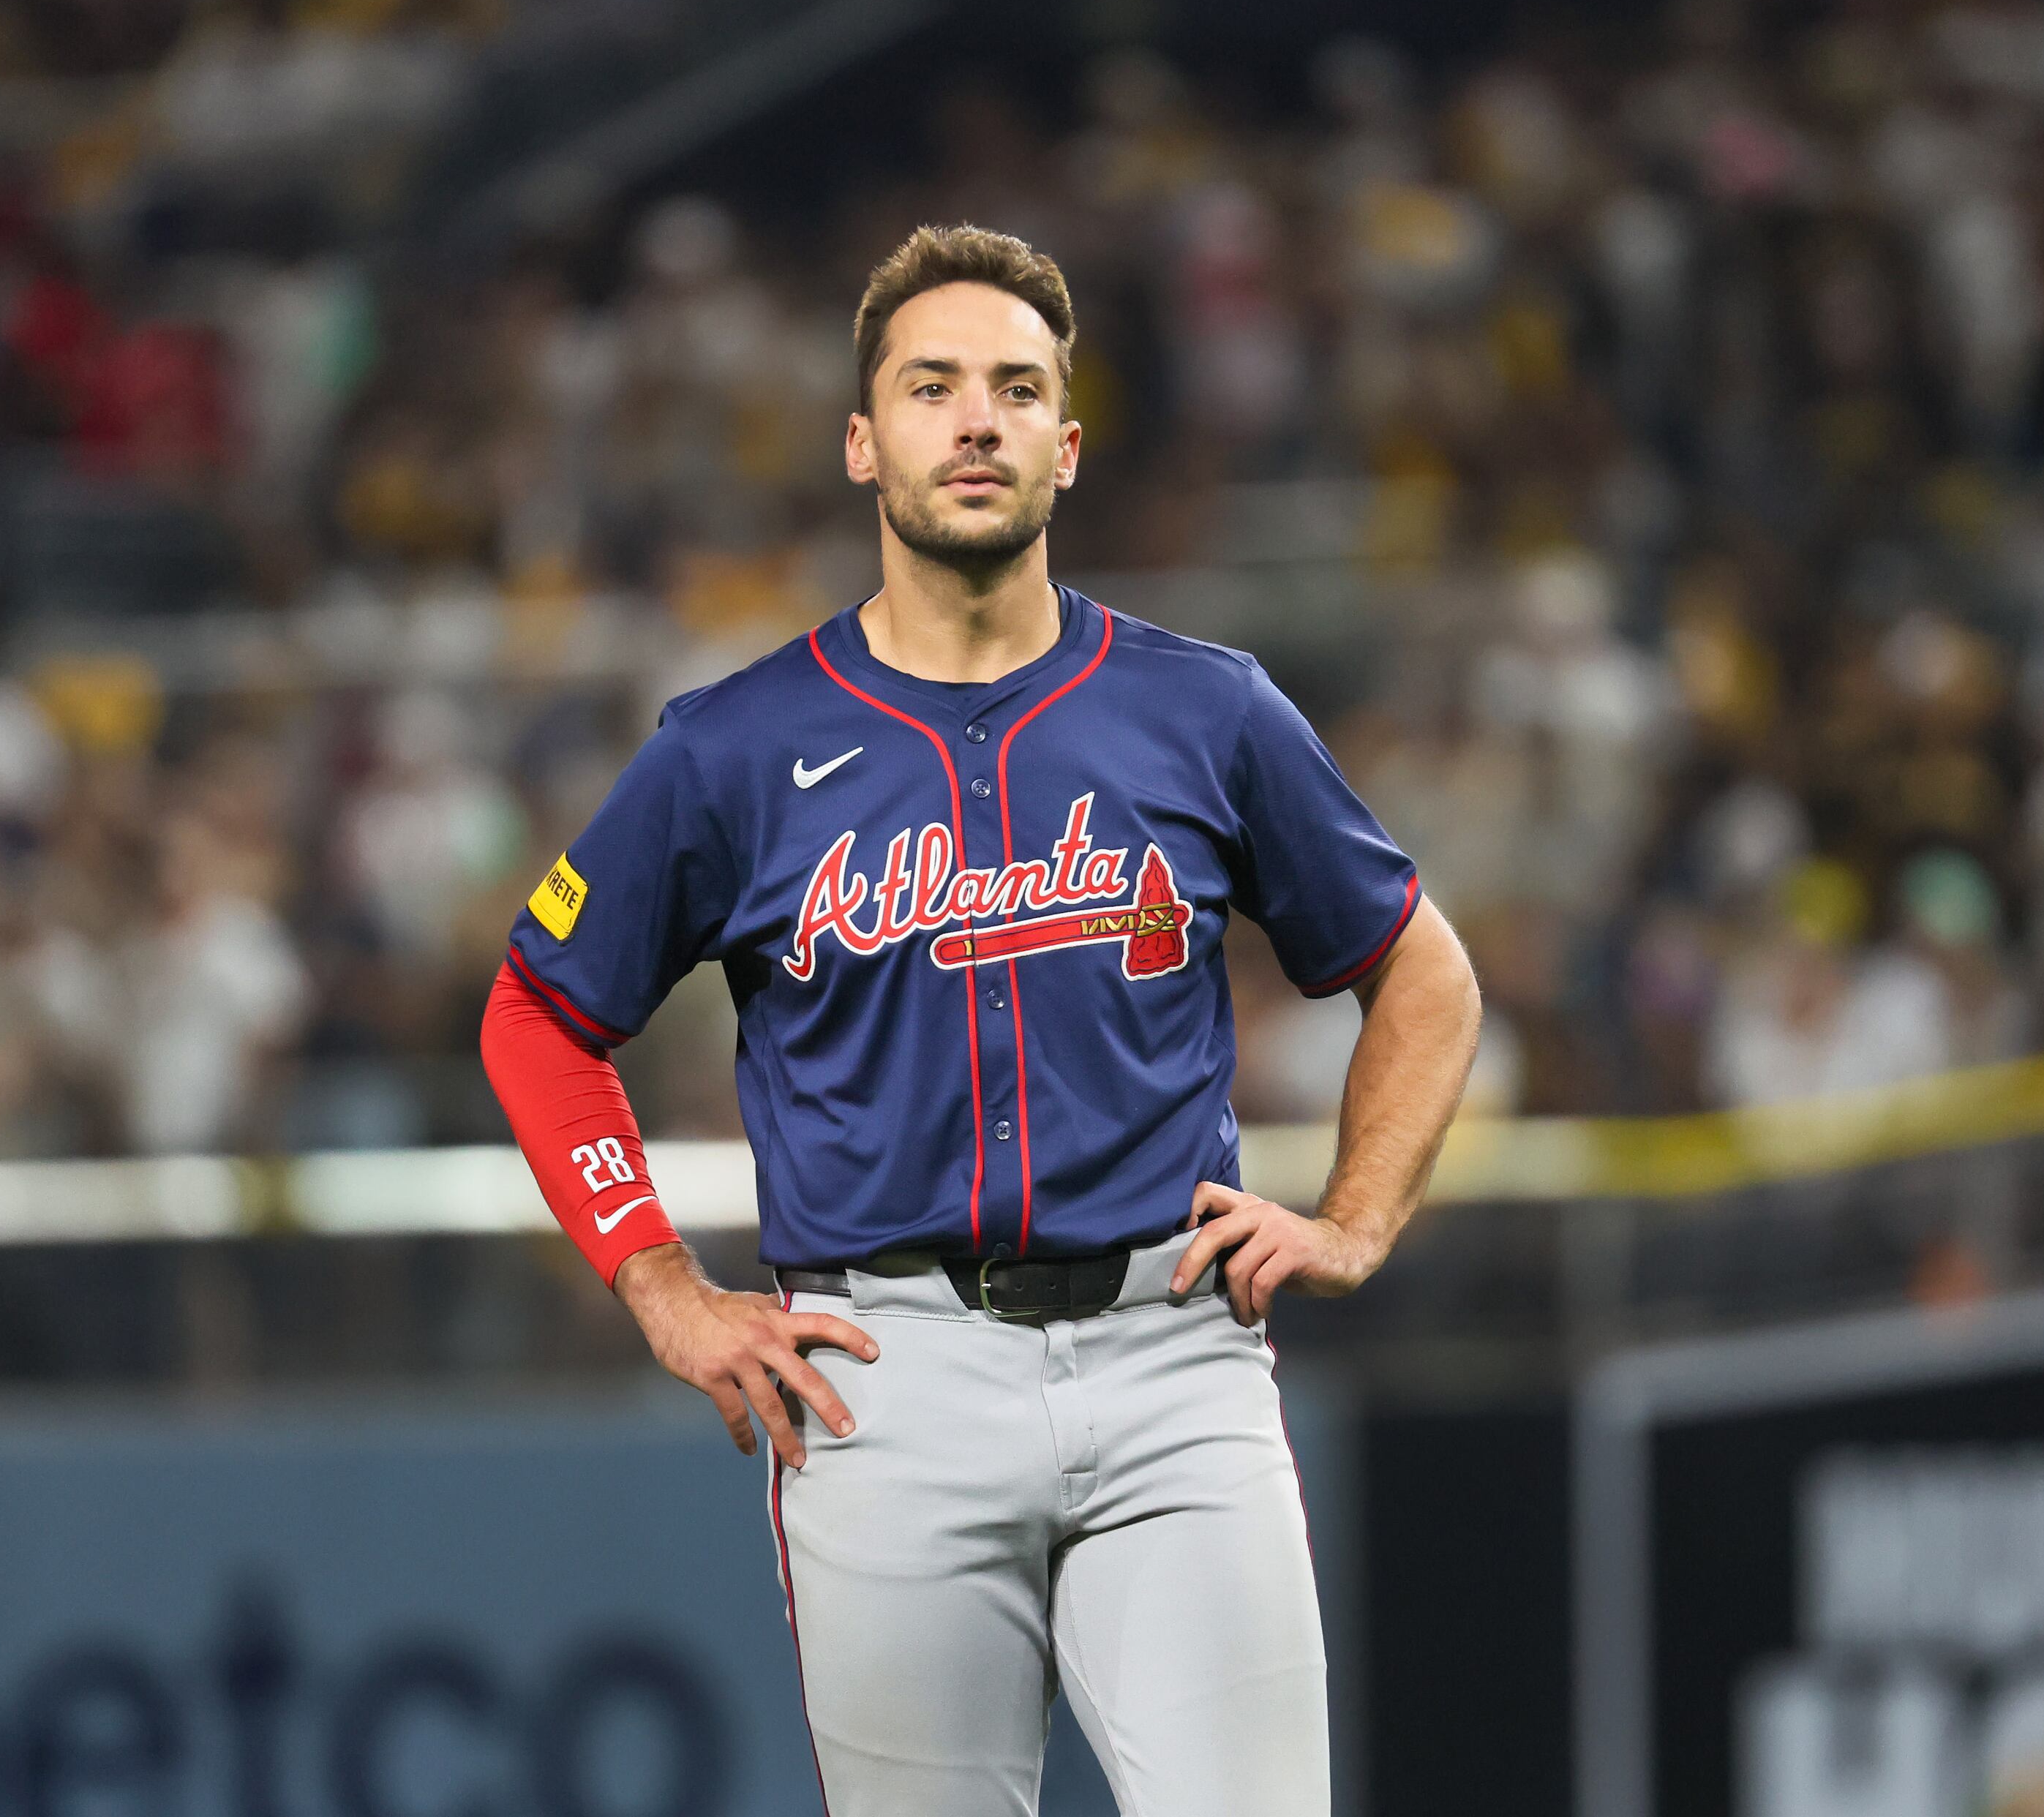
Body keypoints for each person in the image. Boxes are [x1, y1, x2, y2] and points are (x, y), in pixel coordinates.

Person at [481, 225, 1481, 1816]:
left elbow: (1422, 971)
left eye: (1018, 389)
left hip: (1175, 1361)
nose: (977, 419)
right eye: (932, 385)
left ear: (1067, 448)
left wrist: (1359, 1217)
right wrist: (663, 1288)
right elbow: (537, 1012)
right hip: (888, 1376)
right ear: (864, 441)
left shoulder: (1206, 707)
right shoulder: (732, 750)